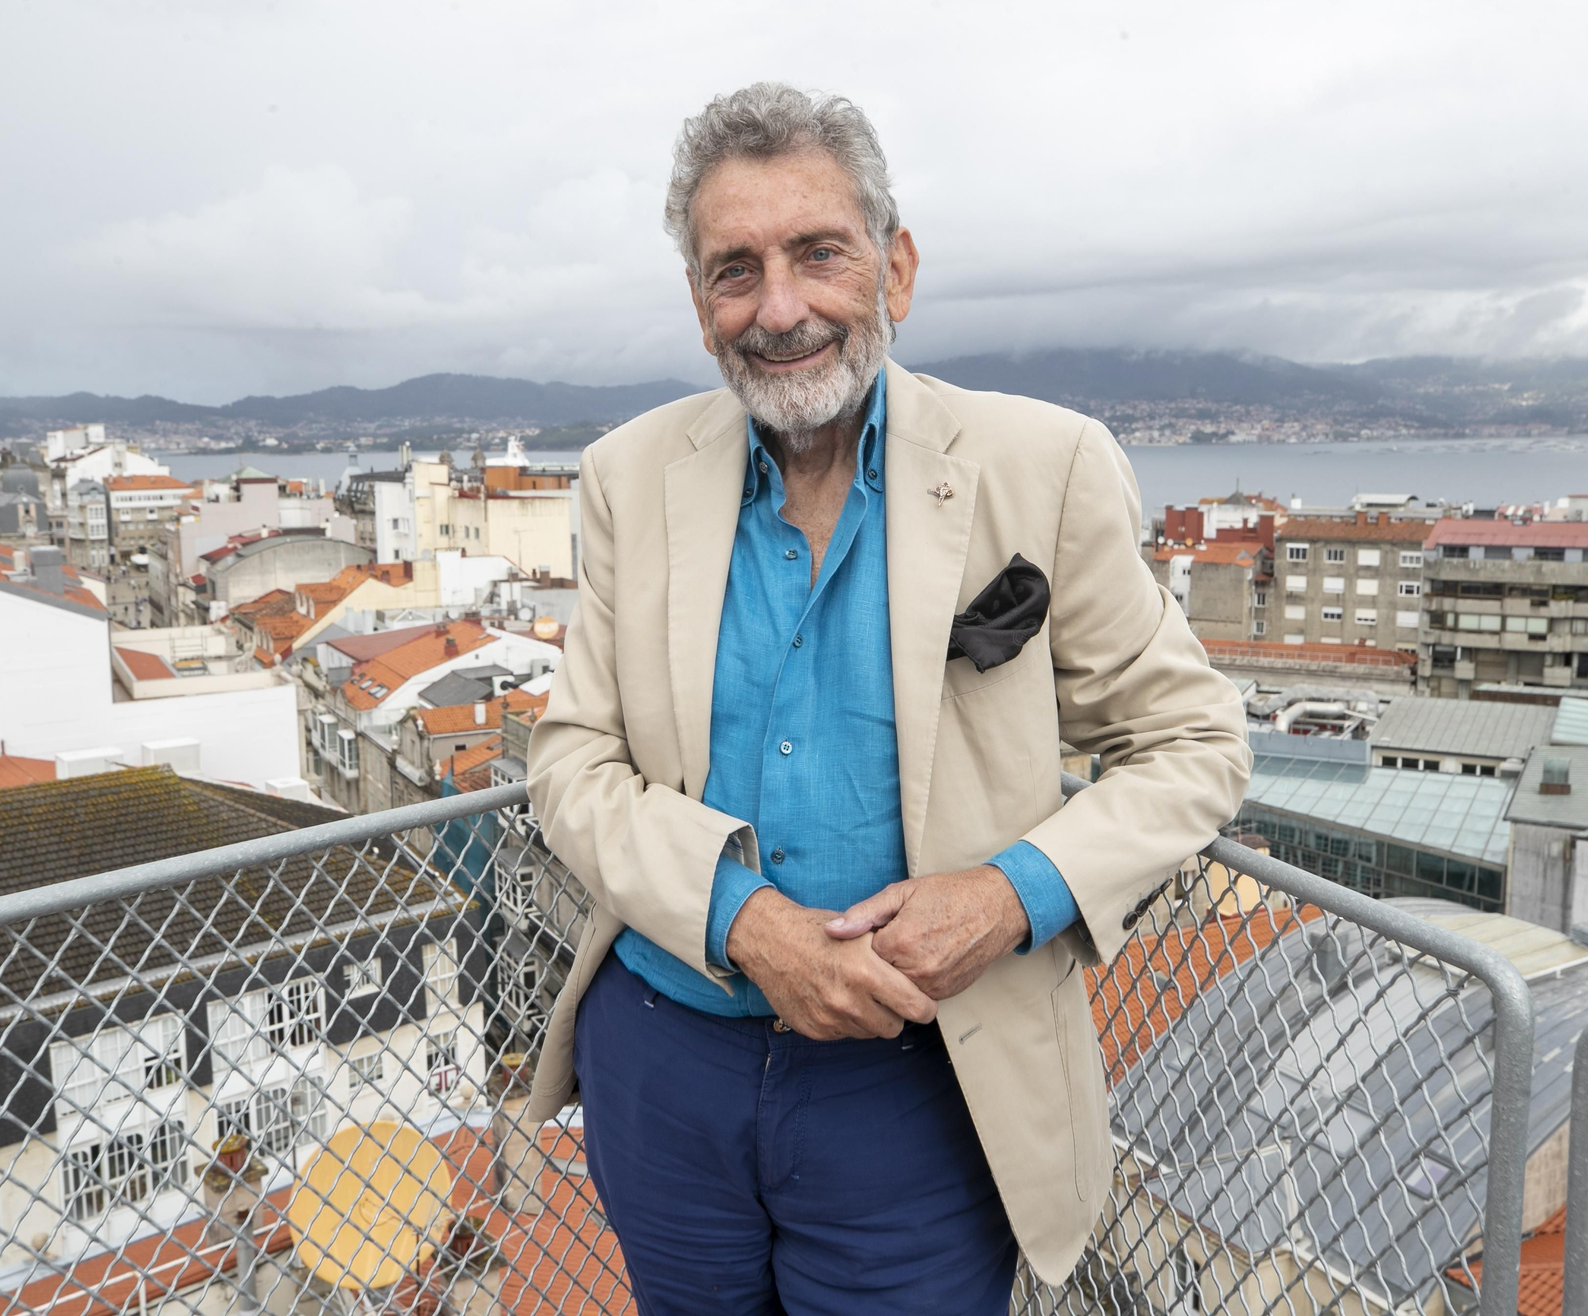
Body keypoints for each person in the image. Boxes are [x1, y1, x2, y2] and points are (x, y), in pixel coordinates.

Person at [522, 81, 1250, 1315]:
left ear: (895, 268)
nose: (781, 308)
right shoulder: (625, 476)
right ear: (700, 307)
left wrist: (1007, 897)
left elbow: (1192, 741)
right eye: (734, 270)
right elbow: (571, 763)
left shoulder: (1041, 465)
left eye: (818, 254)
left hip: (919, 1080)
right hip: (666, 1058)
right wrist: (743, 920)